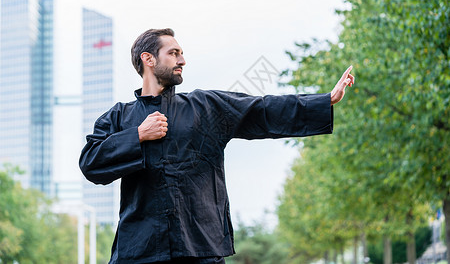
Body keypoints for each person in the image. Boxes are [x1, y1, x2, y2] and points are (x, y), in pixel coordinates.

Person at [79, 28, 354, 264]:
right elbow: (91, 163)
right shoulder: (118, 117)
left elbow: (261, 109)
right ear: (148, 59)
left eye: (182, 53)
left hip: (200, 247)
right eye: (173, 53)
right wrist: (137, 135)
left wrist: (324, 100)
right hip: (139, 250)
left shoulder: (206, 108)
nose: (182, 60)